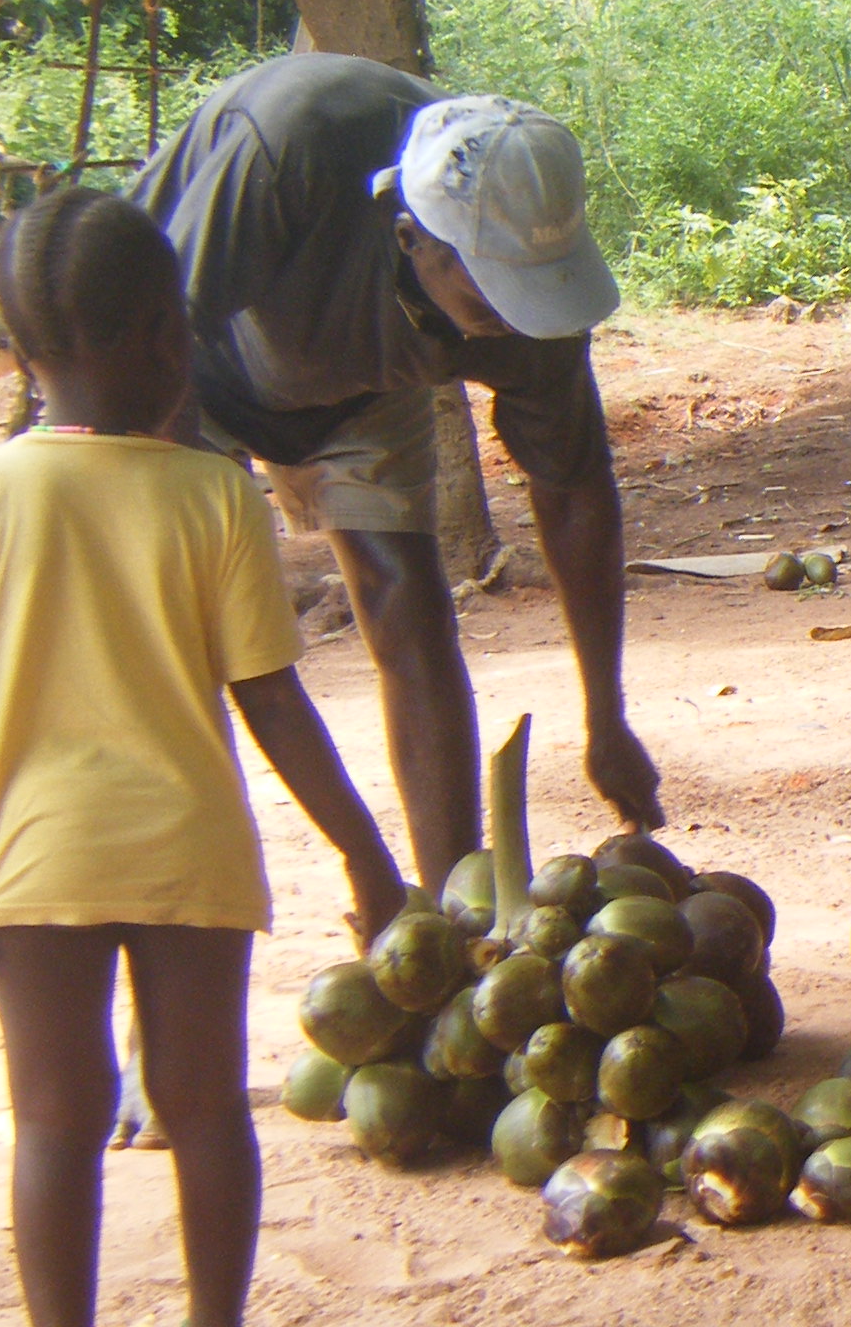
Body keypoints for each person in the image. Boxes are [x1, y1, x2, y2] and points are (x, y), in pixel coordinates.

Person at [0, 189, 408, 1327]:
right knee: (205, 1104)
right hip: (192, 848)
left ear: (15, 351)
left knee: (57, 1118)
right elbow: (275, 707)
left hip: (36, 859)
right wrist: (366, 853)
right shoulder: (215, 501)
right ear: (175, 338)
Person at [132, 54, 661, 897]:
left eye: (528, 294)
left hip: (353, 381)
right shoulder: (292, 146)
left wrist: (606, 715)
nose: (508, 325)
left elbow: (573, 490)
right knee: (187, 643)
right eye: (490, 295)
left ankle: (454, 912)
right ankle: (177, 885)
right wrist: (198, 522)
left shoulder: (533, 298)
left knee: (406, 607)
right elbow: (150, 332)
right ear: (411, 236)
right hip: (178, 366)